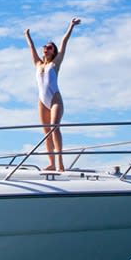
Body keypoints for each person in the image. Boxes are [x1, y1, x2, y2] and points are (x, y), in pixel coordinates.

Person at [24, 18, 82, 171]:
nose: (46, 49)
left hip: (55, 99)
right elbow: (31, 48)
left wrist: (71, 26)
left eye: (49, 47)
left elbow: (64, 42)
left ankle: (60, 163)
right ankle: (51, 163)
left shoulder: (55, 64)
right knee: (46, 132)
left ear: (53, 51)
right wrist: (27, 35)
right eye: (45, 47)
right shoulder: (38, 64)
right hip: (42, 100)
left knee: (54, 127)